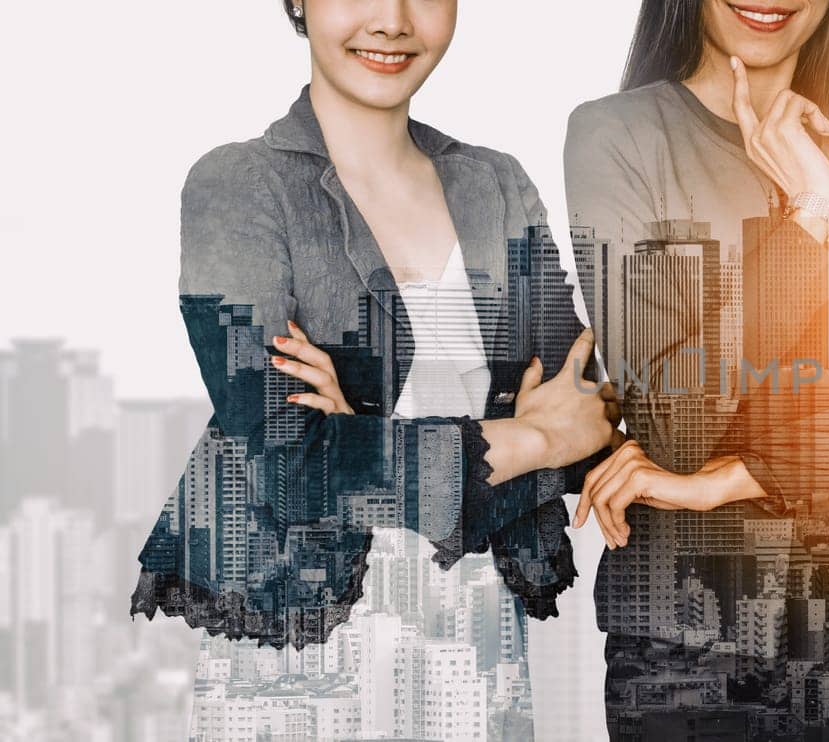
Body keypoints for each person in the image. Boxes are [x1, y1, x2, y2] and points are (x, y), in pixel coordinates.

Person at [128, 0, 618, 737]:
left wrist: (362, 438)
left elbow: (589, 423)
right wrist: (532, 442)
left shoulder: (495, 183)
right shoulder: (240, 186)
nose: (392, 19)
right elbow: (288, 467)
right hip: (301, 649)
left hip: (478, 640)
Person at [563, 0, 829, 737]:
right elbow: (676, 422)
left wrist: (735, 478)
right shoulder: (619, 136)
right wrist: (807, 214)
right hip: (692, 640)